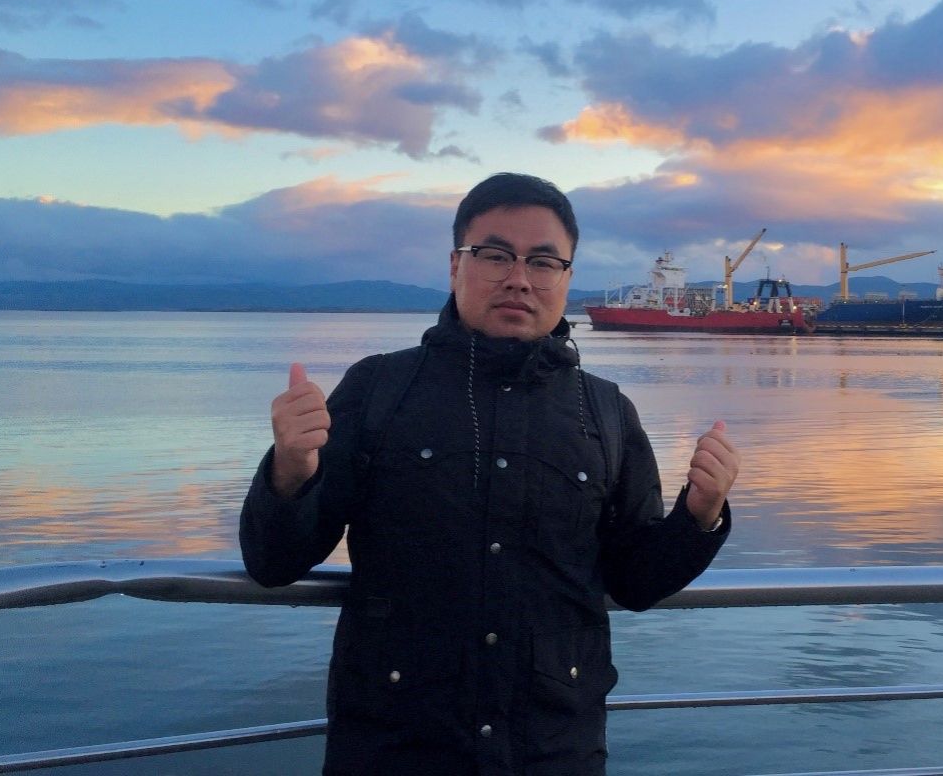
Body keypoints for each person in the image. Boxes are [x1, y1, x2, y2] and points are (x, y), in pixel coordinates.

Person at [239, 172, 740, 775]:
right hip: (394, 751)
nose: (519, 278)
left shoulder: (608, 412)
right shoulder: (378, 389)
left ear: (566, 278)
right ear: (456, 265)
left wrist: (699, 516)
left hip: (554, 752)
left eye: (544, 262)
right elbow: (274, 563)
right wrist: (290, 472)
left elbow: (635, 582)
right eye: (496, 255)